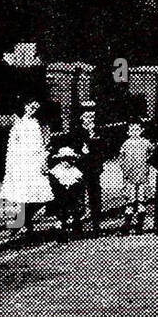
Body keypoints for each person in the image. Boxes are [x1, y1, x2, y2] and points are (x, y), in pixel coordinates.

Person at [0, 96, 54, 237]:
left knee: (40, 197)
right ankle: (25, 225)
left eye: (36, 107)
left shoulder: (42, 124)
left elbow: (46, 145)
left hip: (35, 163)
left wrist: (44, 161)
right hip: (19, 164)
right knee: (23, 196)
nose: (33, 109)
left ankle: (22, 220)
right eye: (31, 106)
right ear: (25, 106)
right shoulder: (16, 120)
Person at [63, 100, 107, 235]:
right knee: (78, 196)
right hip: (80, 168)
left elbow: (104, 149)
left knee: (95, 195)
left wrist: (96, 152)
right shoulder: (76, 132)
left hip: (94, 168)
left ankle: (96, 225)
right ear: (82, 117)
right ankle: (77, 225)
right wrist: (81, 151)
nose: (89, 119)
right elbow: (71, 149)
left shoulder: (98, 131)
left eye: (92, 116)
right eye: (87, 116)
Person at [118, 119, 153, 235]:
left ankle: (139, 226)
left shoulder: (146, 142)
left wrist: (148, 166)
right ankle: (127, 225)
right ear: (128, 132)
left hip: (142, 175)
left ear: (141, 130)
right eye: (132, 130)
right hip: (129, 175)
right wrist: (124, 170)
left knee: (141, 199)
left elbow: (152, 154)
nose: (134, 132)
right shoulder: (126, 143)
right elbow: (121, 159)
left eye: (137, 129)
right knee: (131, 199)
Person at [45, 144, 85, 237]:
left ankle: (75, 225)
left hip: (73, 197)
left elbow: (80, 183)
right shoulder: (56, 171)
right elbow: (53, 185)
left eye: (69, 158)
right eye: (65, 159)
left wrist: (74, 186)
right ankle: (62, 225)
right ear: (61, 159)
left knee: (76, 207)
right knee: (61, 209)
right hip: (60, 197)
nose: (68, 161)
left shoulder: (75, 171)